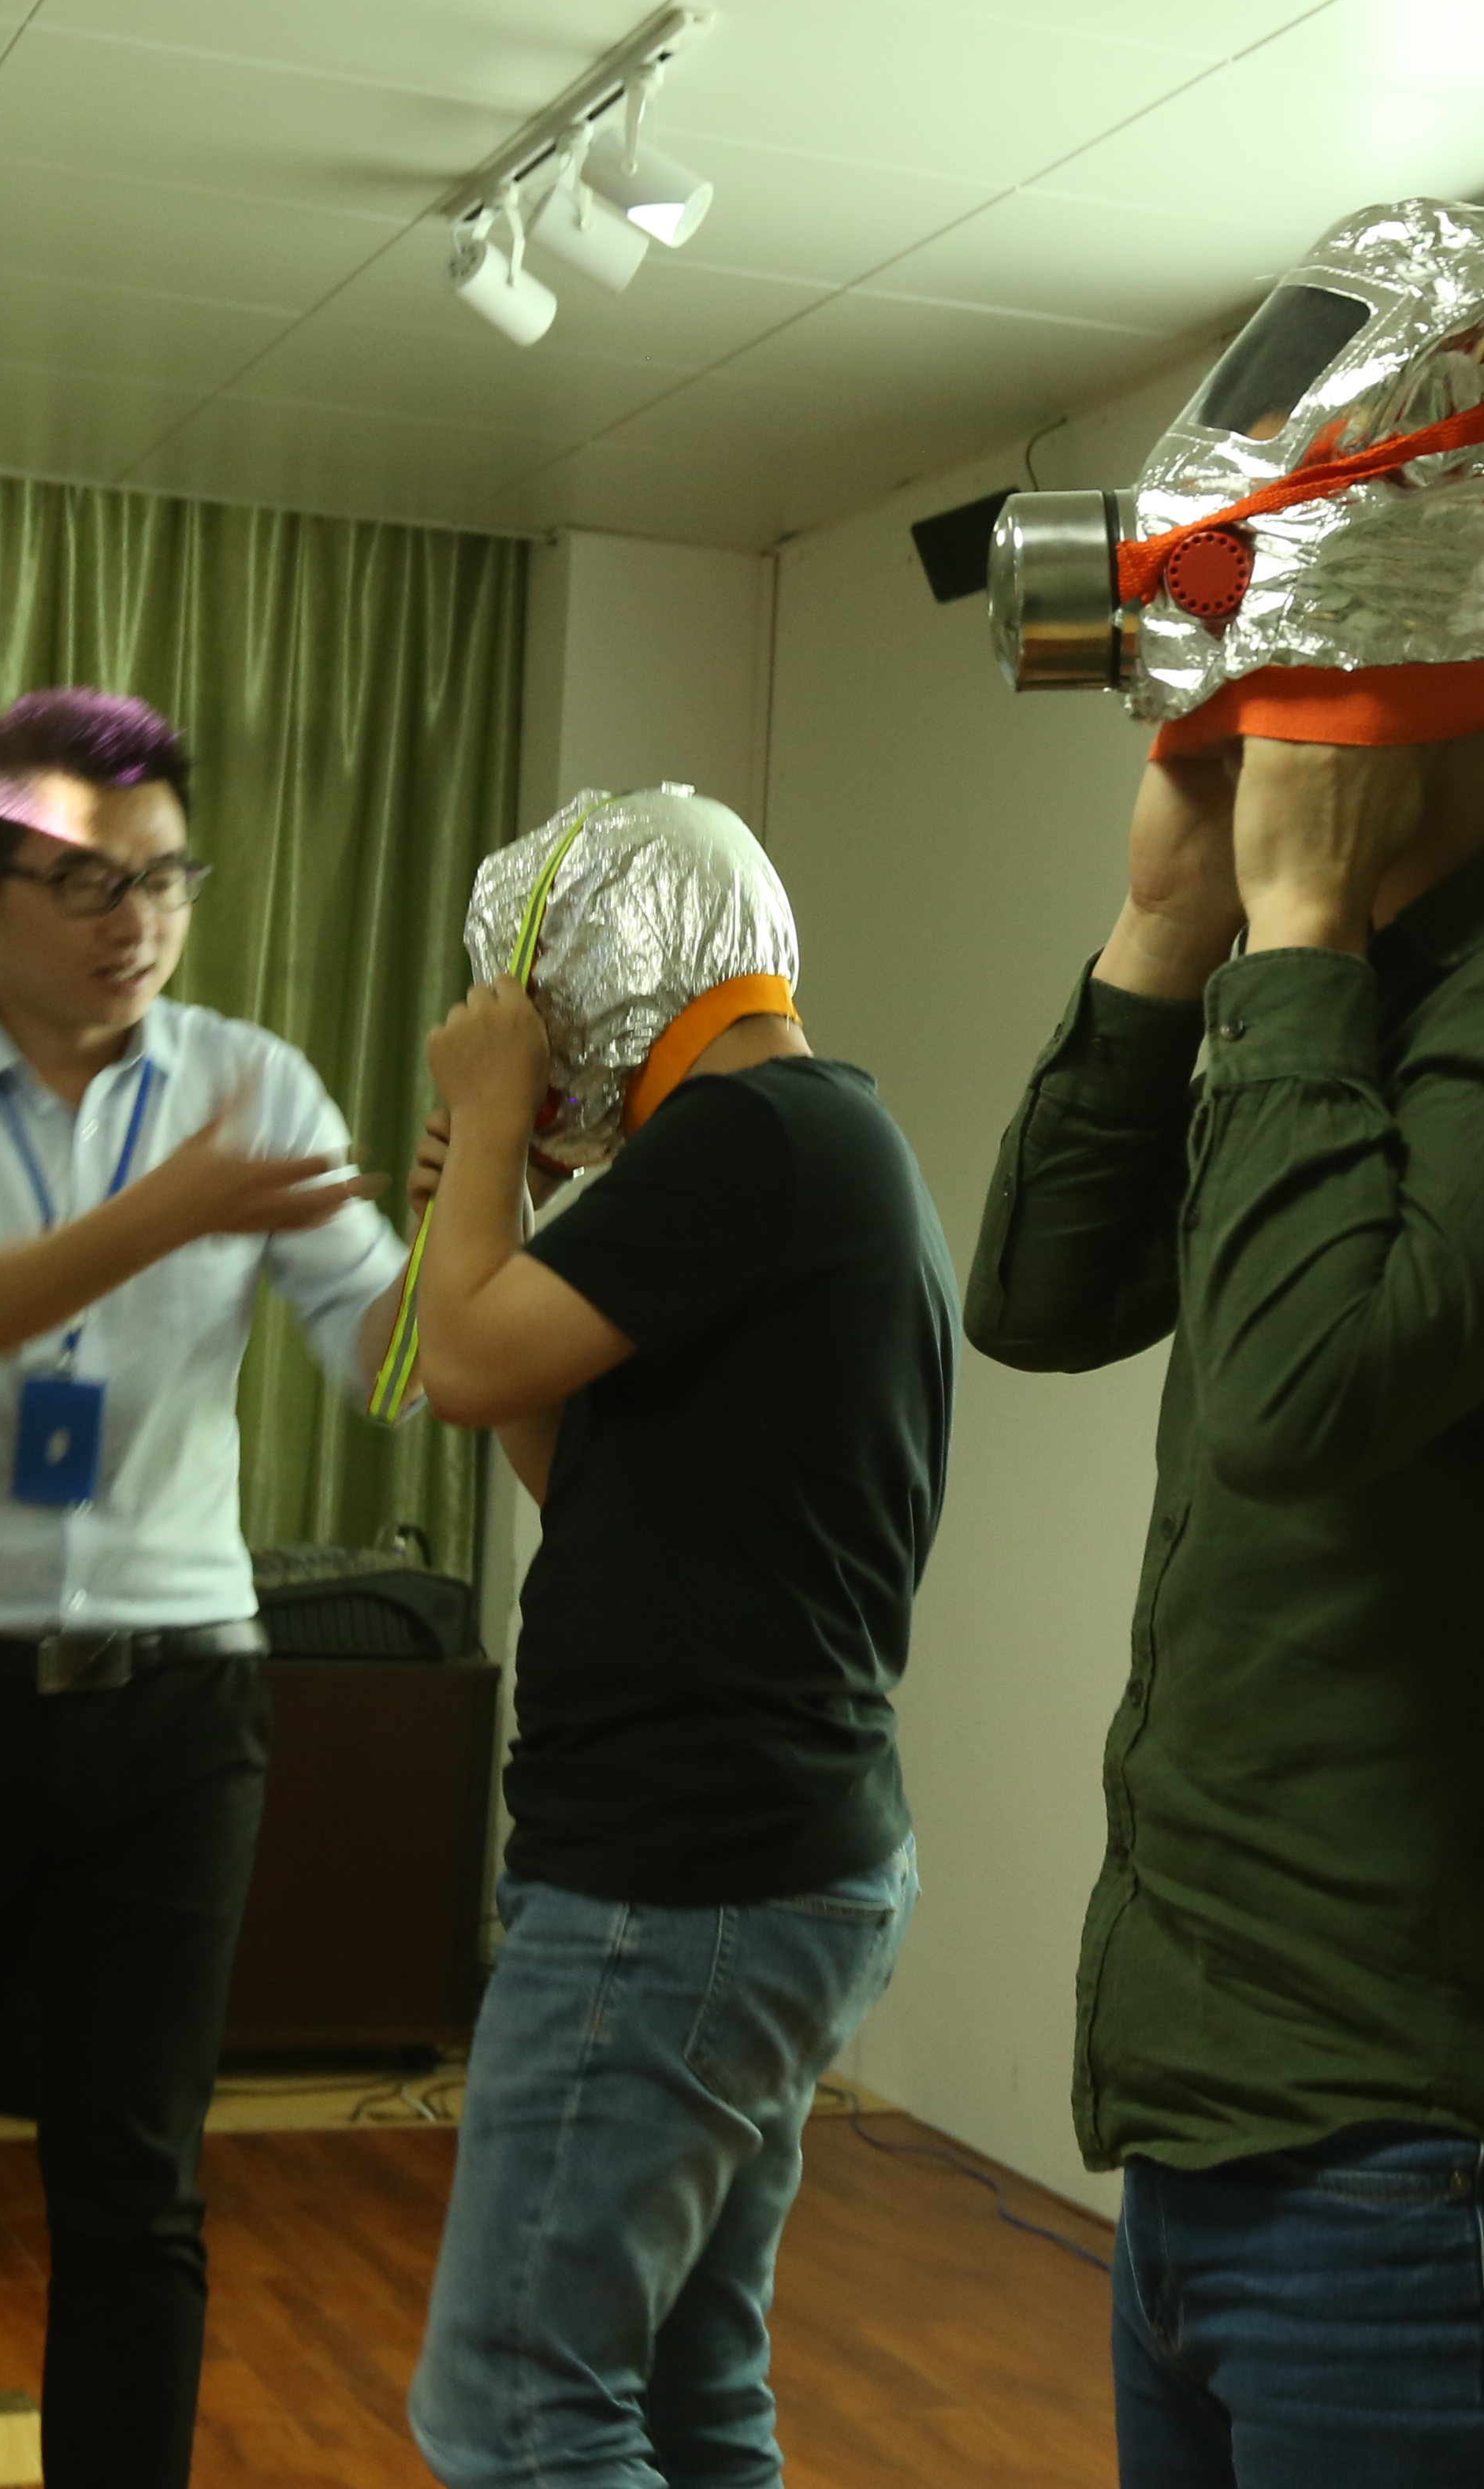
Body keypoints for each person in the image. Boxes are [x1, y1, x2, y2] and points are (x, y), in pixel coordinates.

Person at [965, 202, 1484, 2488]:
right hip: (1224, 2145)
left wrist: (1301, 933)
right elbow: (1039, 1303)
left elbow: (1293, 1393)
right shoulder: (1348, 973)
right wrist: (1168, 935)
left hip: (1453, 2191)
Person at [0, 687, 410, 2489]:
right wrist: (171, 1212)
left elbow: (388, 1356)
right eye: (89, 884)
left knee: (138, 2199)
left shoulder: (252, 1083)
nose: (139, 922)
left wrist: (496, 1210)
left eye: (168, 878)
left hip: (176, 1700)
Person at [386, 787, 956, 2489]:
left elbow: (457, 1363)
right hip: (762, 1864)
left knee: (516, 2410)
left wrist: (493, 1121)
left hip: (676, 1882)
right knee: (694, 2395)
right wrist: (484, 1212)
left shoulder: (747, 1141)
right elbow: (581, 1475)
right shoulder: (806, 1147)